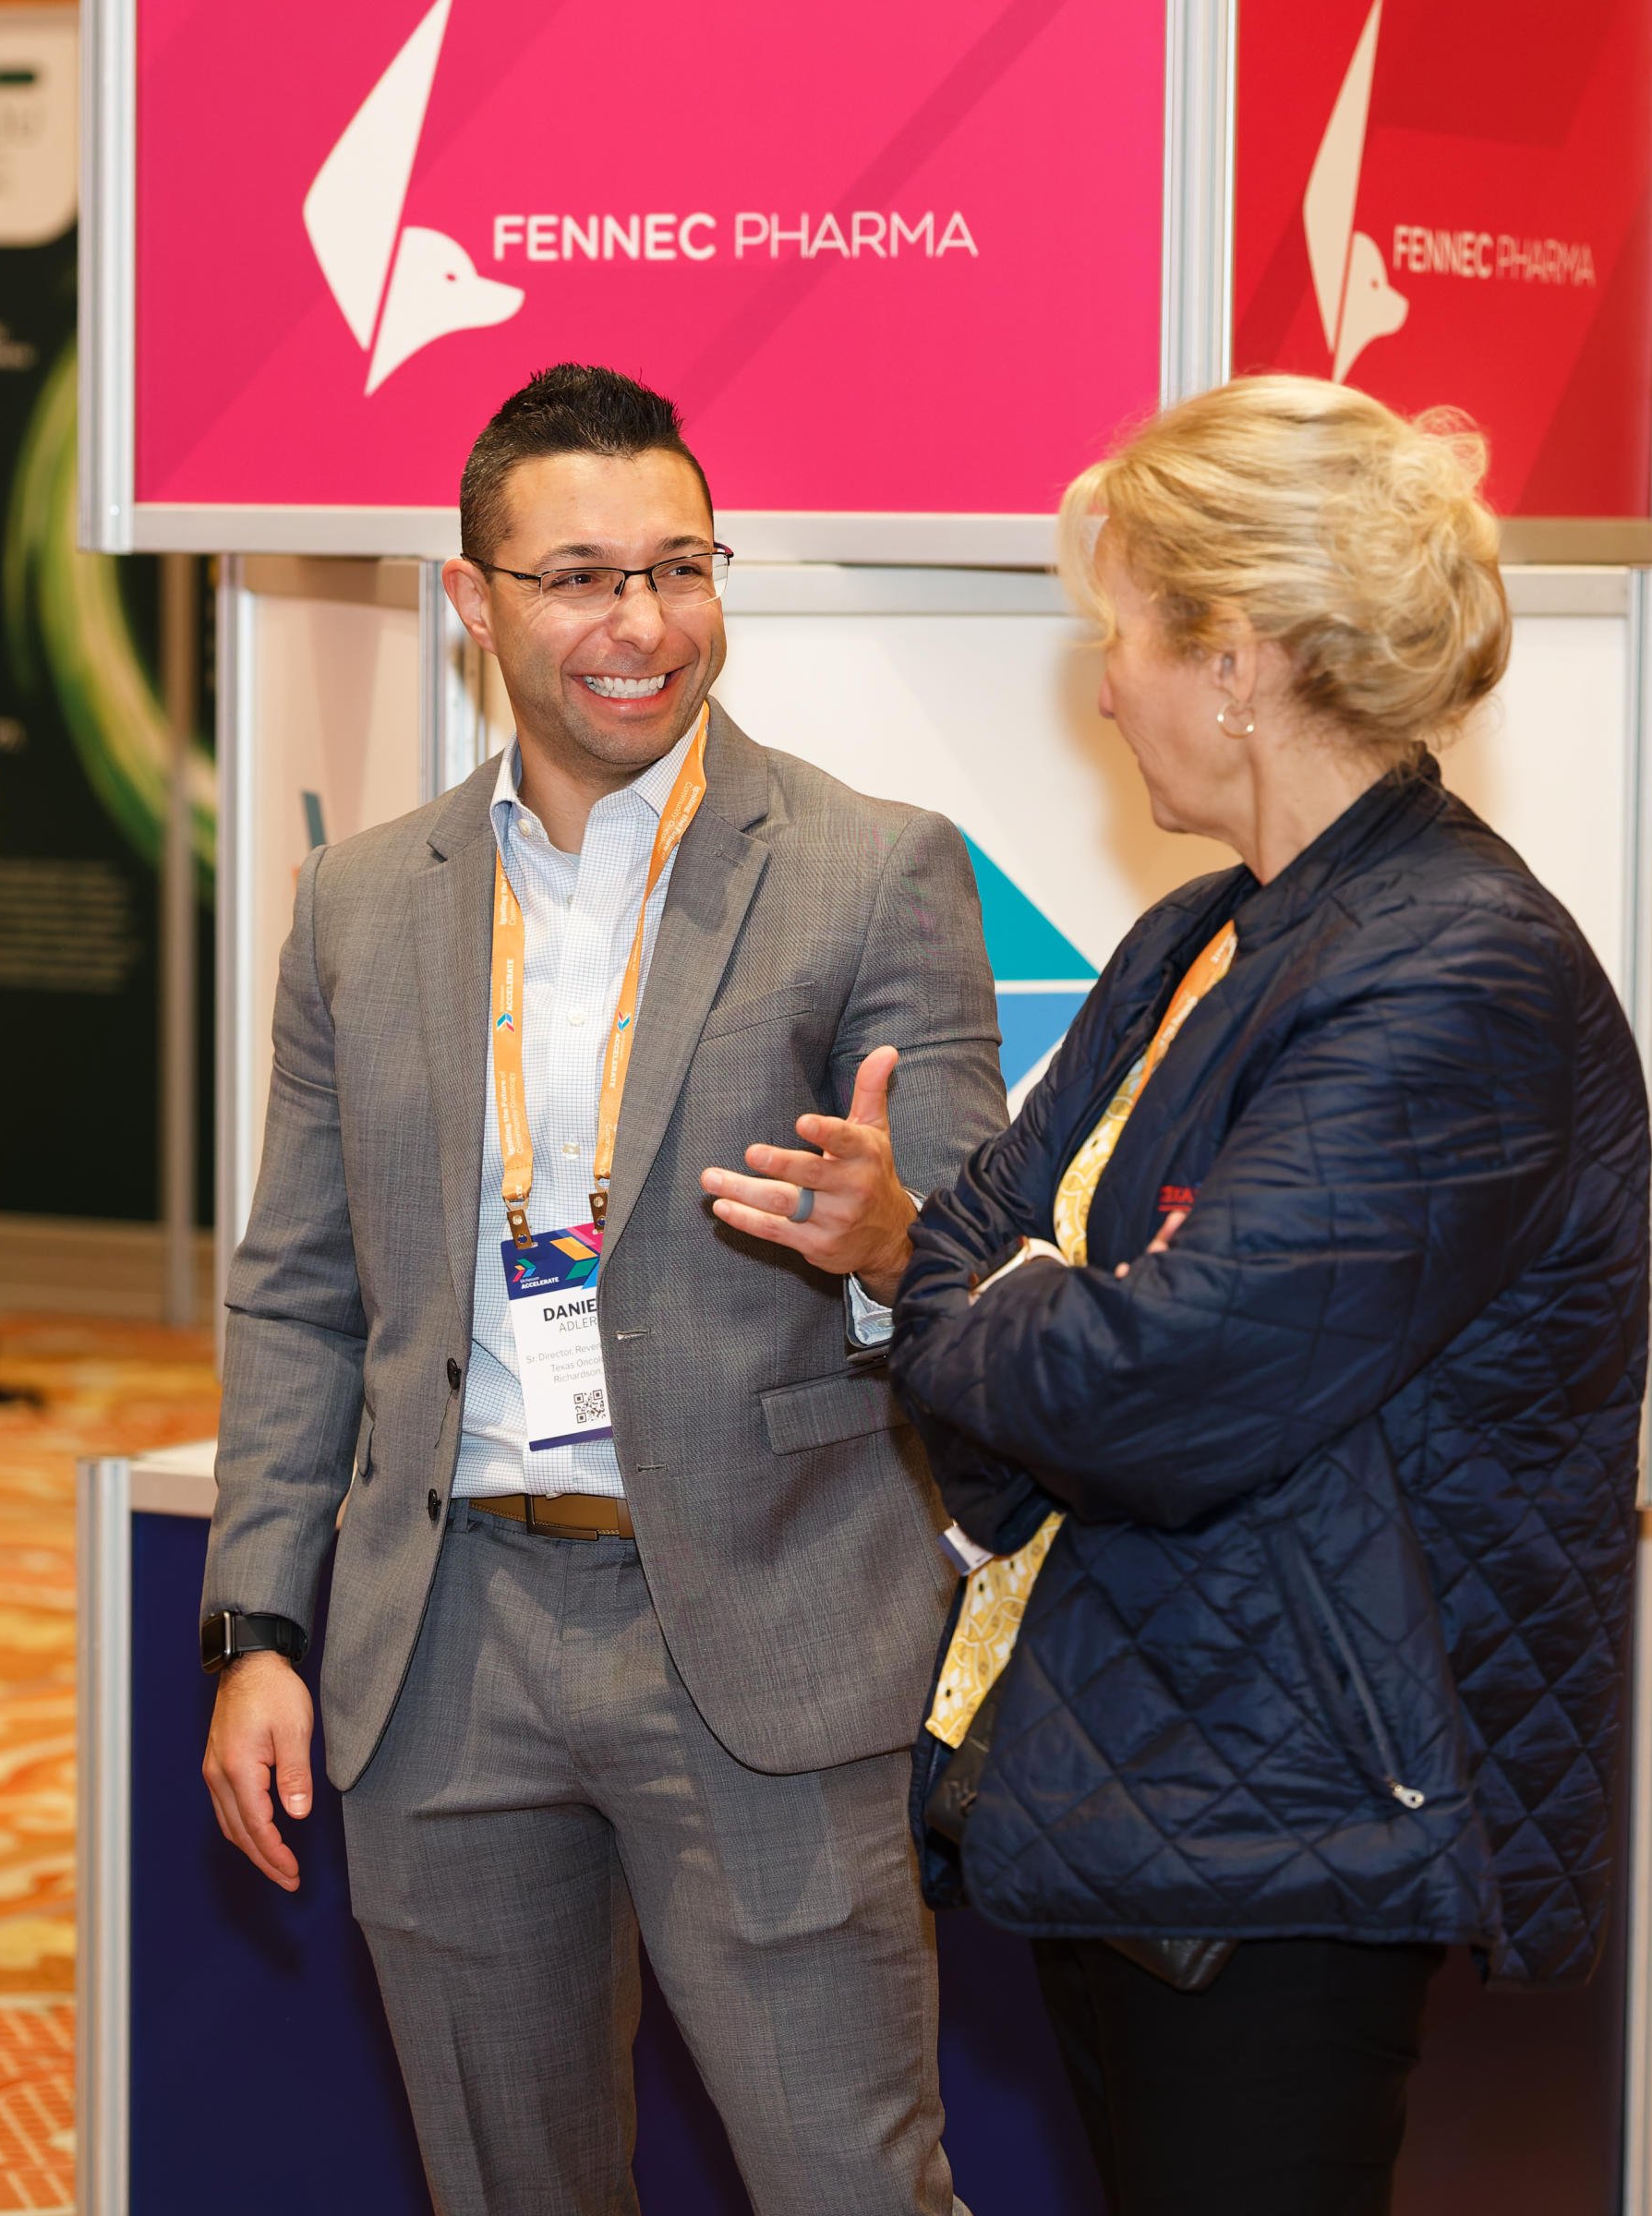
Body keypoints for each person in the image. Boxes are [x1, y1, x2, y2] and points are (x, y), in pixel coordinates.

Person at [199, 363, 1003, 2216]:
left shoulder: (872, 871)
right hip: (444, 1638)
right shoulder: (358, 902)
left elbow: (966, 1290)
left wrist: (887, 1250)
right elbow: (300, 1297)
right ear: (472, 599)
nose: (641, 624)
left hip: (763, 1623)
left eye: (679, 565)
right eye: (577, 576)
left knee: (853, 2185)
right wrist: (260, 1628)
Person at [884, 377, 1651, 2216]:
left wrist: (1031, 1317)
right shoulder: (1201, 930)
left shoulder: (1457, 975)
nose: (1102, 685)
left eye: (1122, 635)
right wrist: (1025, 1310)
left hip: (1295, 1816)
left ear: (1238, 656)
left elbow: (1153, 1384)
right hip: (1162, 1767)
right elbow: (953, 1256)